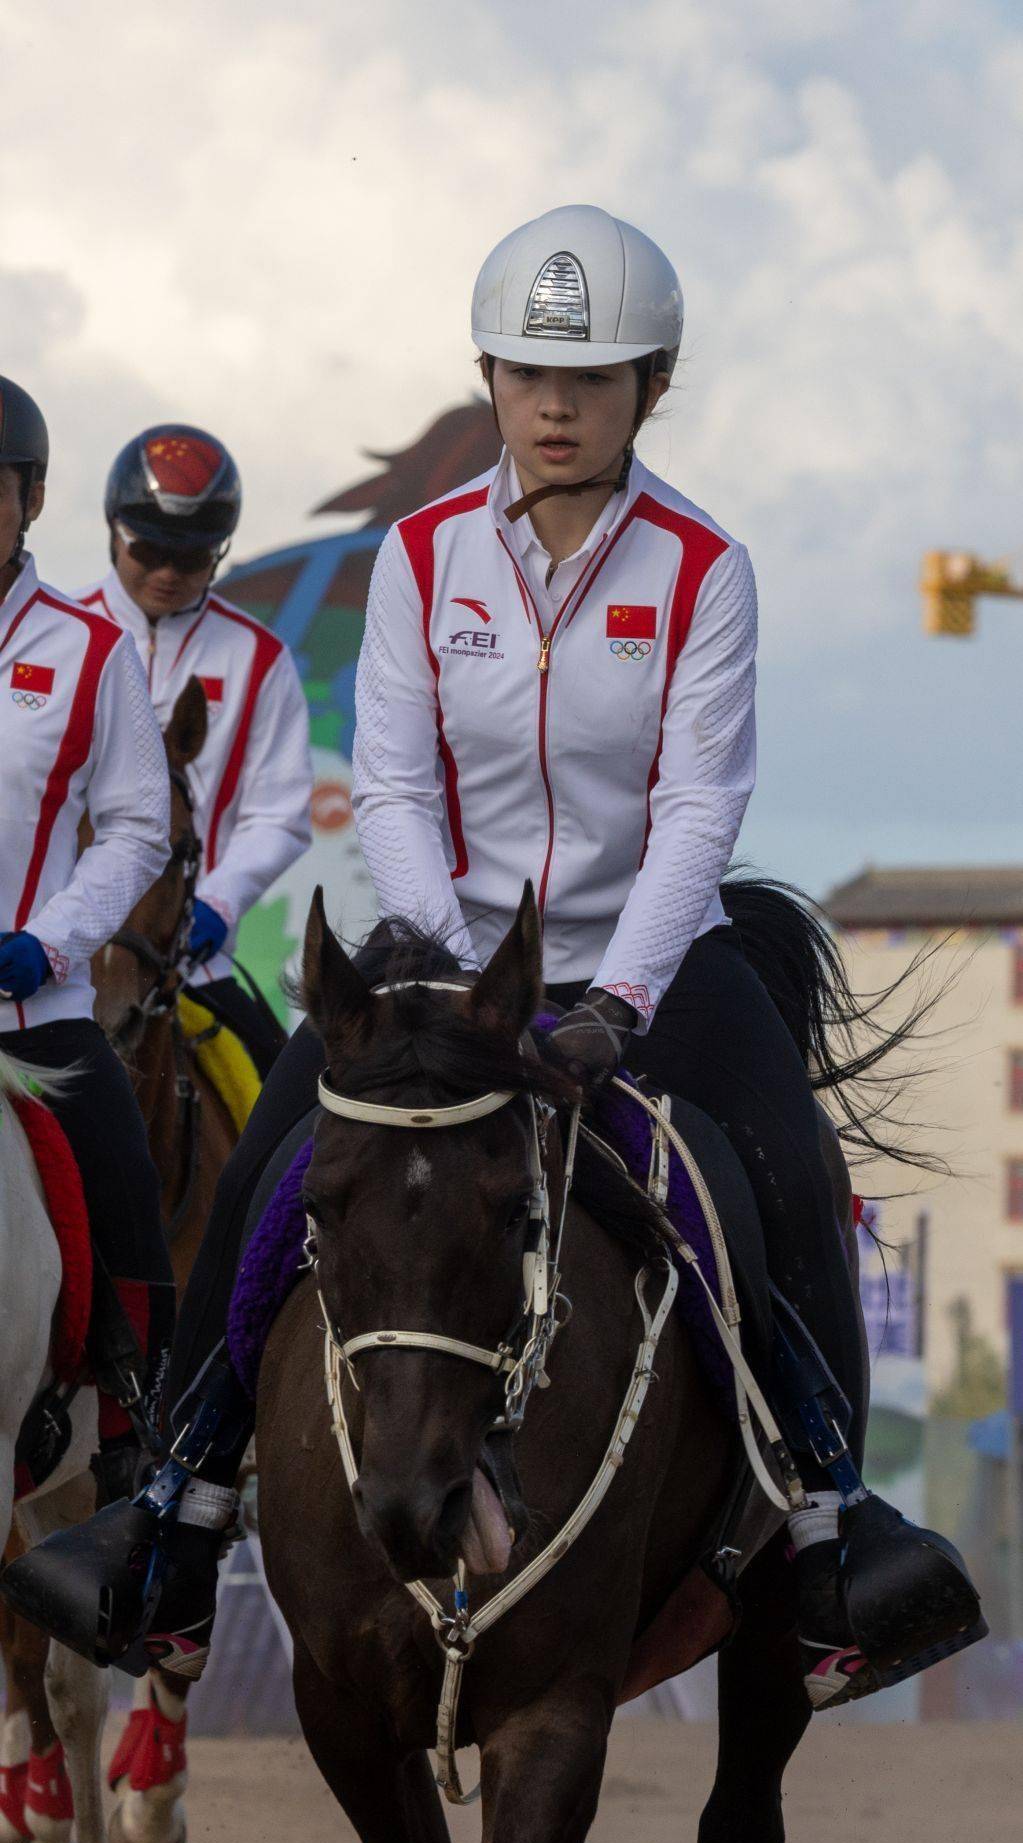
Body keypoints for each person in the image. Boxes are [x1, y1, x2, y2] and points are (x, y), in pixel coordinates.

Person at [6, 211, 980, 1707]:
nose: (553, 403)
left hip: (648, 958)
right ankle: (180, 1509)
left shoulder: (705, 567)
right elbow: (389, 788)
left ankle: (835, 1530)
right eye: (528, 371)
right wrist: (469, 989)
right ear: (486, 374)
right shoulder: (415, 555)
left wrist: (612, 1003)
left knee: (779, 1183)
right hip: (444, 959)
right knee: (273, 1163)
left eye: (589, 378)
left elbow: (694, 810)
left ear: (650, 387)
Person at [0, 374, 175, 1499]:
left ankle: (139, 1456)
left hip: (34, 1011)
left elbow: (140, 826)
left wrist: (50, 940)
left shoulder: (86, 650)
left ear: (33, 497)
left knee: (127, 1199)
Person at [81, 424, 313, 1077]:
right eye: (148, 549)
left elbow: (281, 814)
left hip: (195, 963)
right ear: (112, 529)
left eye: (190, 560)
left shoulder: (259, 659)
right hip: (58, 960)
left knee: (279, 1103)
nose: (165, 574)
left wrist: (218, 903)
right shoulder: (58, 640)